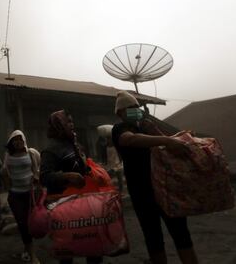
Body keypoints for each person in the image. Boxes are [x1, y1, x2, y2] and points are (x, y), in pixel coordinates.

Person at [111, 91, 199, 264]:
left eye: (137, 107)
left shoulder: (146, 128)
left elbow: (168, 145)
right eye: (131, 108)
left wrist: (166, 135)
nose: (136, 110)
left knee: (181, 233)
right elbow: (130, 140)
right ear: (120, 112)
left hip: (167, 189)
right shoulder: (120, 129)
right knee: (153, 237)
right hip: (142, 193)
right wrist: (165, 140)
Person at [40, 110, 103, 264]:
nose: (72, 125)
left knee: (92, 244)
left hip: (84, 202)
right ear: (58, 125)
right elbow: (44, 177)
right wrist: (67, 176)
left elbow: (83, 166)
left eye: (72, 121)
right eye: (68, 122)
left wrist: (93, 171)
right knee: (67, 249)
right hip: (64, 206)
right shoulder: (50, 150)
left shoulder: (75, 144)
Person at [2, 130, 41, 264]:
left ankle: (27, 249)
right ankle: (33, 255)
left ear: (24, 140)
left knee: (31, 223)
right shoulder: (8, 155)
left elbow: (38, 169)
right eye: (15, 140)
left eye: (20, 139)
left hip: (30, 194)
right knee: (23, 224)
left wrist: (36, 178)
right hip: (15, 195)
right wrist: (8, 188)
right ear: (11, 142)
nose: (18, 142)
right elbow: (5, 172)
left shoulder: (31, 152)